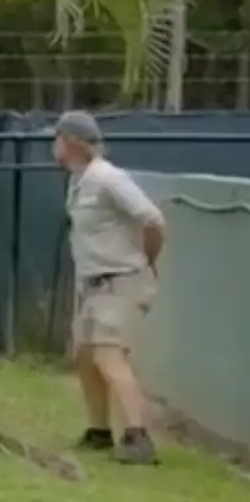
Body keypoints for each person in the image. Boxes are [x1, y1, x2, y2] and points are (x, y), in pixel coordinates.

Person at [53, 110, 166, 465]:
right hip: (93, 283)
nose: (52, 146)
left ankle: (138, 436)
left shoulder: (107, 178)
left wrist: (147, 259)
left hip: (120, 280)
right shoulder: (79, 180)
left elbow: (153, 220)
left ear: (71, 142)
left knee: (108, 353)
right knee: (87, 357)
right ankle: (99, 431)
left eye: (56, 139)